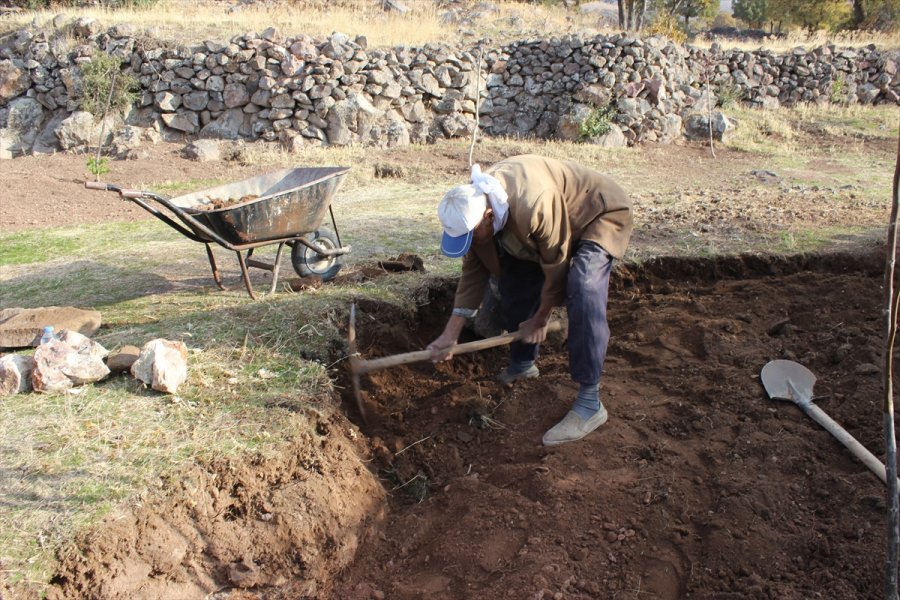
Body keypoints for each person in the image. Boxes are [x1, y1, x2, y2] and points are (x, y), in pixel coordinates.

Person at [427, 154, 633, 446]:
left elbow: (557, 262)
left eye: (471, 236)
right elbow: (474, 271)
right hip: (547, 227)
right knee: (513, 276)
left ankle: (590, 403)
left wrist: (541, 318)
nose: (470, 243)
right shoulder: (472, 207)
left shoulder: (534, 202)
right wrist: (451, 333)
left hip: (596, 214)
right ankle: (523, 364)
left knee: (584, 285)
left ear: (488, 218)